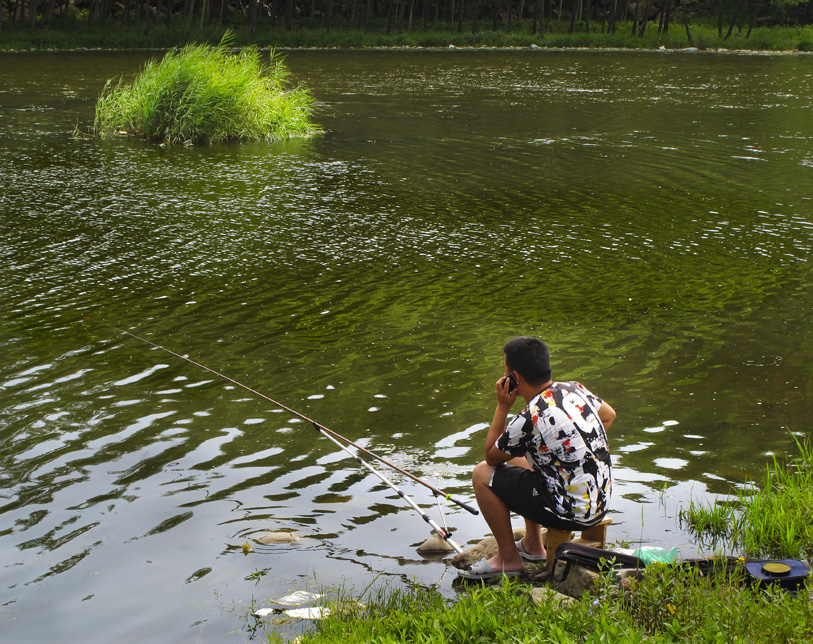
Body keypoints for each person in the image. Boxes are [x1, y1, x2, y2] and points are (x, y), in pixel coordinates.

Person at [459, 336, 616, 580]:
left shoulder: (530, 417)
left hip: (570, 512)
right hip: (599, 501)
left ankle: (508, 558)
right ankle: (533, 545)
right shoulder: (575, 389)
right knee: (528, 456)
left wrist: (502, 406)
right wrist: (574, 447)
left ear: (514, 378)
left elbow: (491, 456)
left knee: (481, 474)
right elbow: (608, 415)